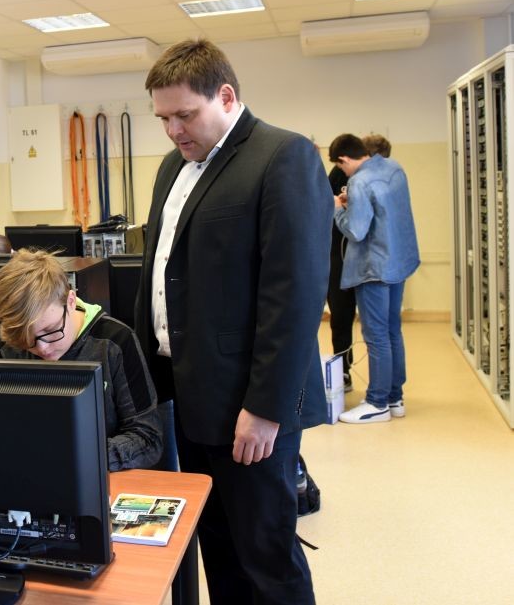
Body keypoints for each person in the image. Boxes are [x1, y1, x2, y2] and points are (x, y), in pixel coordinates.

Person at [136, 39, 331, 605]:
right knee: (217, 545)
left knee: (265, 553)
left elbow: (293, 296)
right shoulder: (174, 166)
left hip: (249, 400)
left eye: (184, 114)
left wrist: (266, 409)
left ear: (225, 96)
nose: (173, 130)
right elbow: (163, 269)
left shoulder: (282, 155)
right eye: (163, 119)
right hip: (186, 392)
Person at [0, 249, 162, 471]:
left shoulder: (115, 342)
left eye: (51, 331)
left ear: (71, 301)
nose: (42, 348)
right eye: (27, 340)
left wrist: (78, 457)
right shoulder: (11, 347)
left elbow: (148, 438)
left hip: (102, 474)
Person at [330, 133, 419, 423]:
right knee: (393, 331)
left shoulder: (359, 181)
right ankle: (394, 397)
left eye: (341, 167)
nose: (343, 173)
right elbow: (384, 213)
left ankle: (377, 402)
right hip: (397, 262)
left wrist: (338, 210)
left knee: (376, 335)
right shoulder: (394, 169)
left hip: (373, 268)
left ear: (344, 159)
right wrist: (354, 205)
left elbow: (356, 231)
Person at [327, 162, 356, 391]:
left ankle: (382, 390)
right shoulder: (336, 175)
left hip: (361, 260)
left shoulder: (368, 180)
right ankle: (343, 370)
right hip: (337, 259)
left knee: (375, 330)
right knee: (340, 319)